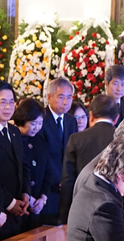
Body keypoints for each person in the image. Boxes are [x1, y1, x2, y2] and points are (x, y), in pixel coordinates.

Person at [59, 94, 118, 223]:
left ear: (90, 115)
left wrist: (65, 216)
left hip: (84, 210)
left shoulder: (76, 139)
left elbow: (68, 180)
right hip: (117, 209)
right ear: (116, 118)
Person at [0, 81, 30, 239]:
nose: (8, 107)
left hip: (19, 209)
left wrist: (26, 193)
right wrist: (10, 203)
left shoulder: (14, 131)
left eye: (11, 102)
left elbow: (23, 165)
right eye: (3, 102)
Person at [38, 78, 78, 224]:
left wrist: (68, 178)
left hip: (67, 187)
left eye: (69, 97)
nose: (66, 102)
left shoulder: (71, 121)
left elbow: (73, 153)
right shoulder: (41, 119)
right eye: (61, 97)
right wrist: (57, 179)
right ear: (49, 97)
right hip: (47, 188)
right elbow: (43, 156)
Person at [12, 98, 51, 228]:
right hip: (19, 206)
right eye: (33, 123)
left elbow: (47, 170)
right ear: (23, 119)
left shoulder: (40, 139)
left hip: (38, 205)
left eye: (40, 123)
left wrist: (43, 198)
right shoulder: (13, 139)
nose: (37, 127)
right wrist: (28, 196)